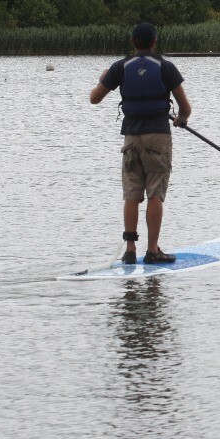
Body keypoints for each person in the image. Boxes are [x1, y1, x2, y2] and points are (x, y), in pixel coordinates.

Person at [89, 22, 192, 264]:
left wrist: (103, 79)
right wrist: (181, 119)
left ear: (132, 42)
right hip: (158, 136)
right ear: (154, 43)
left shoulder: (120, 67)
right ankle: (153, 250)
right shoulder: (165, 67)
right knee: (156, 192)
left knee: (132, 194)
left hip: (131, 137)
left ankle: (130, 250)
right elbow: (185, 107)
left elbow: (94, 99)